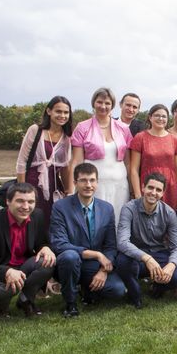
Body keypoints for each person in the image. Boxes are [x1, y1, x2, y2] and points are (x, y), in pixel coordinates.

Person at [50, 163, 126, 317]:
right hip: (68, 263)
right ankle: (70, 303)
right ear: (75, 183)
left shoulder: (107, 208)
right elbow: (59, 244)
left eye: (92, 180)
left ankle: (88, 291)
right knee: (70, 256)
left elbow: (111, 245)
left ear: (97, 183)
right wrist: (96, 255)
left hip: (92, 266)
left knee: (118, 290)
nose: (88, 185)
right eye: (83, 180)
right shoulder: (60, 207)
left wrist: (103, 271)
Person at [116, 173, 177, 308]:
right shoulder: (129, 208)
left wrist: (171, 265)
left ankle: (157, 287)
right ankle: (134, 293)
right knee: (123, 262)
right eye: (150, 187)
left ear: (163, 193)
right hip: (136, 255)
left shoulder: (169, 213)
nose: (153, 193)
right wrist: (147, 258)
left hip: (159, 253)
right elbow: (122, 242)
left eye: (158, 190)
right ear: (143, 187)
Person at [69, 87, 133, 221]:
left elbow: (128, 162)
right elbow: (76, 161)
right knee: (93, 220)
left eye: (107, 103)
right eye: (99, 102)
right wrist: (71, 189)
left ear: (113, 106)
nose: (103, 106)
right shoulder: (82, 127)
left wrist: (132, 187)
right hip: (93, 185)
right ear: (93, 103)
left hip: (119, 185)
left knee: (117, 220)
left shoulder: (123, 129)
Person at [0, 183, 56, 318]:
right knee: (7, 289)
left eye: (31, 202)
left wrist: (46, 248)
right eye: (20, 201)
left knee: (47, 262)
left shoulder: (37, 215)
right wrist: (7, 271)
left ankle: (25, 300)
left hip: (22, 267)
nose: (26, 207)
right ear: (8, 202)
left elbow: (42, 242)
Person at [16, 95, 72, 225]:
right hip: (32, 183)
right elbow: (21, 162)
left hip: (54, 186)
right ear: (49, 111)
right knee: (30, 217)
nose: (62, 115)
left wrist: (68, 190)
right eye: (58, 111)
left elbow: (65, 166)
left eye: (66, 112)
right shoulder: (36, 130)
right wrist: (22, 190)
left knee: (51, 220)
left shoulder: (66, 138)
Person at [130, 104, 177, 210]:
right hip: (148, 187)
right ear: (150, 117)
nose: (160, 118)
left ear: (168, 119)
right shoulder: (140, 137)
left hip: (170, 187)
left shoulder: (174, 140)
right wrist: (137, 193)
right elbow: (134, 169)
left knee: (168, 220)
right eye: (157, 115)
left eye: (164, 116)